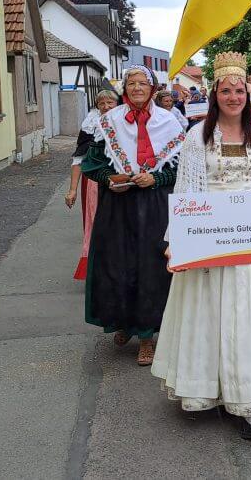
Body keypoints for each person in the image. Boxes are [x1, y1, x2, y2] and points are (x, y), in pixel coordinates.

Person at [151, 52, 251, 442]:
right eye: (226, 90)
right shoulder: (195, 137)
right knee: (211, 314)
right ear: (214, 93)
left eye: (239, 89)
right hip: (211, 241)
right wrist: (177, 242)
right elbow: (186, 191)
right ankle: (212, 386)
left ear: (248, 93)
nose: (234, 96)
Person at [80, 65, 186, 367]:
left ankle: (147, 336)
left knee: (152, 267)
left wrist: (157, 179)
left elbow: (182, 169)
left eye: (143, 83)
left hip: (155, 205)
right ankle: (124, 321)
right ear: (124, 88)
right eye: (132, 83)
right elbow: (91, 163)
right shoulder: (108, 122)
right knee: (119, 264)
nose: (137, 87)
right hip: (120, 206)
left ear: (152, 89)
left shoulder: (169, 122)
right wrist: (110, 178)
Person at [66, 90, 120, 280]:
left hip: (122, 179)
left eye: (110, 103)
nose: (106, 107)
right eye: (102, 103)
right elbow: (79, 159)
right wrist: (72, 190)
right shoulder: (90, 125)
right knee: (97, 222)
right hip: (95, 182)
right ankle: (98, 269)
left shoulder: (125, 120)